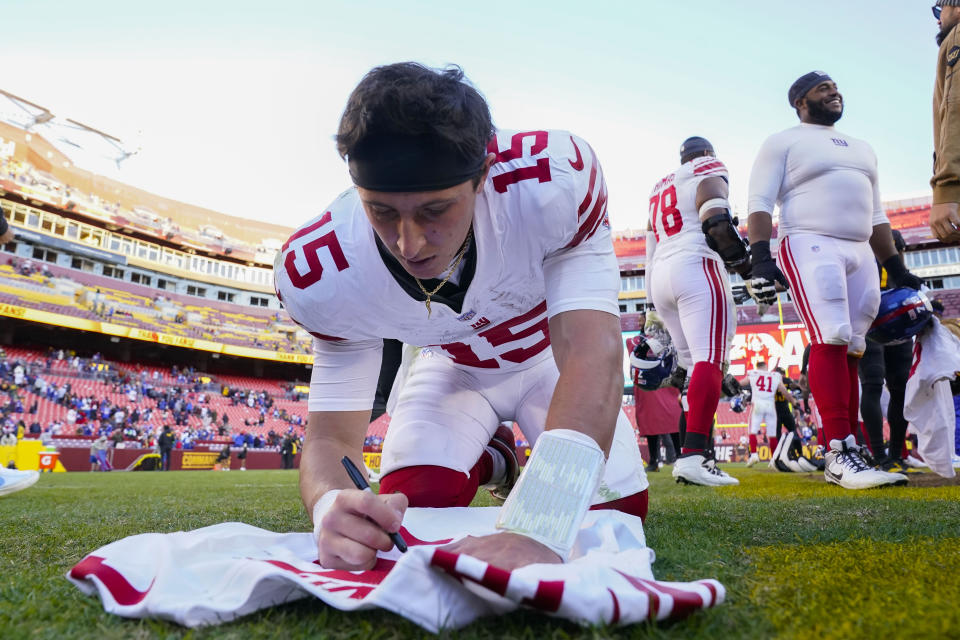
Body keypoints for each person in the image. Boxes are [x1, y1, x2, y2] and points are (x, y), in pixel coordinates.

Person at [274, 62, 647, 572]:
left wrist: (542, 522)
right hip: (453, 369)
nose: (408, 243)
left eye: (434, 210)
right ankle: (496, 461)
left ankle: (499, 458)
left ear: (483, 176)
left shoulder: (551, 184)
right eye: (382, 212)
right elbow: (331, 438)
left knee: (612, 515)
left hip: (549, 362)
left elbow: (591, 352)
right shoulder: (327, 266)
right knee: (417, 502)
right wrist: (328, 505)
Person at [747, 71, 921, 489]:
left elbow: (877, 215)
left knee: (855, 347)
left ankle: (852, 448)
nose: (834, 92)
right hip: (810, 241)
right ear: (800, 101)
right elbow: (759, 201)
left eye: (836, 87)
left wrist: (895, 269)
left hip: (860, 248)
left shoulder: (863, 148)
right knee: (832, 335)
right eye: (823, 88)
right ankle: (837, 452)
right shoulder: (783, 140)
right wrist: (759, 257)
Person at [645, 136, 747, 486]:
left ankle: (696, 456)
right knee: (711, 359)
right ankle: (693, 457)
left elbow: (649, 248)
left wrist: (650, 305)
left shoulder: (660, 187)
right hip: (696, 264)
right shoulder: (707, 168)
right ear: (707, 154)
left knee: (692, 368)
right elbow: (716, 222)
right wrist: (747, 267)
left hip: (660, 275)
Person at [857, 230, 915, 473]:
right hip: (872, 315)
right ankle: (880, 455)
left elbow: (902, 274)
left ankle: (894, 455)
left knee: (900, 386)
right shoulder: (860, 239)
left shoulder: (892, 238)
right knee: (873, 383)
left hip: (895, 316)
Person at [931, 1, 960, 243]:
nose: (938, 20)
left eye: (941, 11)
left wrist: (947, 188)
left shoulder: (957, 35)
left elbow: (956, 107)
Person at [741, 361, 789, 467]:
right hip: (770, 405)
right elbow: (784, 390)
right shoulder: (774, 375)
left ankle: (754, 454)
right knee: (772, 434)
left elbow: (740, 384)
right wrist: (794, 402)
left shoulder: (753, 373)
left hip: (758, 404)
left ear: (757, 367)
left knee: (752, 430)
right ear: (766, 367)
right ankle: (774, 459)